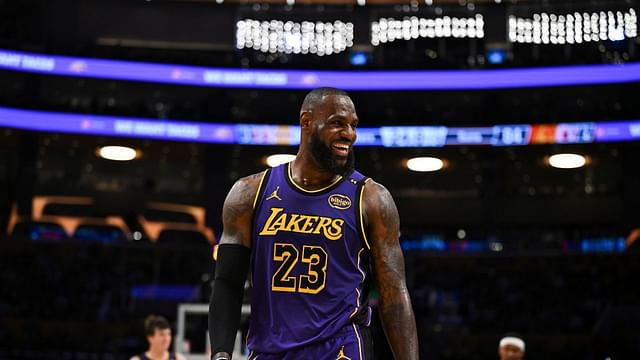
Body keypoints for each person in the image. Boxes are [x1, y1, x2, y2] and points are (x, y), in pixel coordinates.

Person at [209, 87, 419, 360]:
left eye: (353, 125)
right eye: (337, 123)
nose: (349, 134)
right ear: (306, 122)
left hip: (340, 349)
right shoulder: (250, 193)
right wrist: (221, 352)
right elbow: (227, 281)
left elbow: (394, 293)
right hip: (270, 350)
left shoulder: (370, 198)